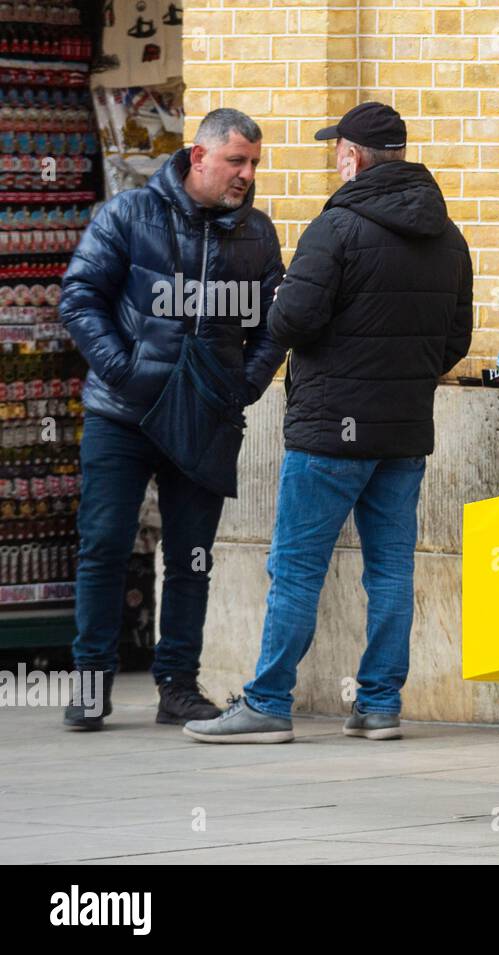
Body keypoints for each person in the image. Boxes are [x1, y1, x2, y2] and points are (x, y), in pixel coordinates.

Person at [183, 102, 473, 743]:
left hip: (328, 431)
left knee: (297, 568)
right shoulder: (448, 235)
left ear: (352, 155)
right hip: (402, 432)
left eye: (336, 149)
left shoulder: (335, 227)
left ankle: (267, 703)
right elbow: (456, 339)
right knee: (391, 570)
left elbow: (292, 322)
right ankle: (378, 705)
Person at [59, 109, 285, 730]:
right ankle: (89, 683)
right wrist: (125, 370)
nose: (246, 174)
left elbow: (277, 326)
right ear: (198, 156)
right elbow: (79, 299)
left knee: (191, 557)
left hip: (205, 419)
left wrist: (241, 387)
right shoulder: (128, 215)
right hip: (122, 415)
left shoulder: (257, 234)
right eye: (236, 160)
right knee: (104, 545)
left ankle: (178, 687)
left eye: (254, 163)